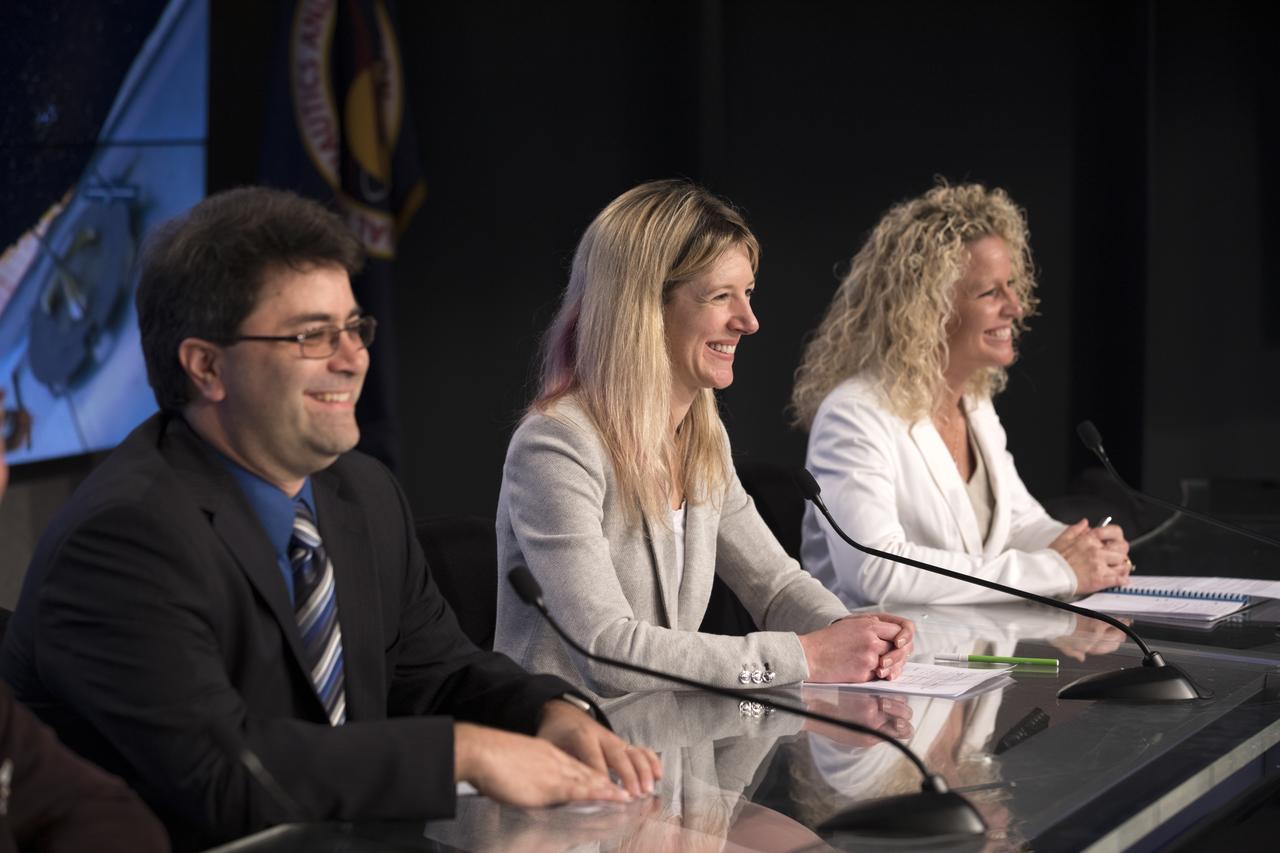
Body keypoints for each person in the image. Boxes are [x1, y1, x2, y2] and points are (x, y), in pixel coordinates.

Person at [0, 187, 658, 852]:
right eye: (312, 335)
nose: (352, 358)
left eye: (353, 327)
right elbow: (224, 774)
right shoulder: (123, 537)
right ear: (206, 366)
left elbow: (438, 673)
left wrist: (547, 711)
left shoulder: (362, 492)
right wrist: (461, 752)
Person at [493, 180, 914, 699]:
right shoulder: (556, 446)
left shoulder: (700, 435)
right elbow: (606, 649)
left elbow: (775, 585)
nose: (750, 321)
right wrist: (806, 656)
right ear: (643, 310)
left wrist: (853, 634)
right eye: (721, 296)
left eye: (749, 293)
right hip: (568, 761)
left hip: (668, 755)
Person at [791, 182, 1132, 606]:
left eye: (1011, 285)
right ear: (927, 309)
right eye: (990, 292)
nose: (1016, 306)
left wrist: (1084, 546)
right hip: (878, 661)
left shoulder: (974, 403)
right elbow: (873, 569)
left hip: (965, 653)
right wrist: (1057, 570)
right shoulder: (855, 412)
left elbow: (1014, 526)